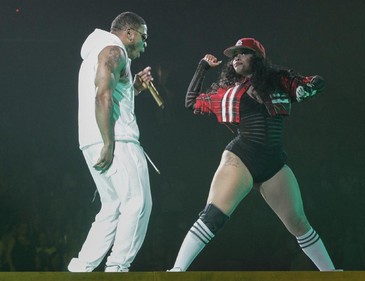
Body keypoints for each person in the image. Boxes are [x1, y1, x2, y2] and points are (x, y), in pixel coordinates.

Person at [169, 38, 338, 271]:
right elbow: (191, 102)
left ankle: (331, 274)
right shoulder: (228, 91)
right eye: (234, 54)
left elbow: (312, 83)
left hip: (274, 163)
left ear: (257, 59)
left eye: (244, 52)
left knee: (298, 223)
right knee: (214, 216)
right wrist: (202, 68)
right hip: (242, 156)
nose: (236, 57)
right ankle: (176, 271)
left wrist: (309, 87)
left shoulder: (279, 81)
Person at [68, 11, 153, 272]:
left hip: (91, 139)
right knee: (138, 202)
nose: (145, 43)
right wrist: (109, 142)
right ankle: (118, 267)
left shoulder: (98, 51)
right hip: (116, 139)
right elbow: (102, 95)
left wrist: (133, 88)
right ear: (129, 33)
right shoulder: (114, 51)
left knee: (113, 205)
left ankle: (82, 266)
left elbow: (111, 92)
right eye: (143, 36)